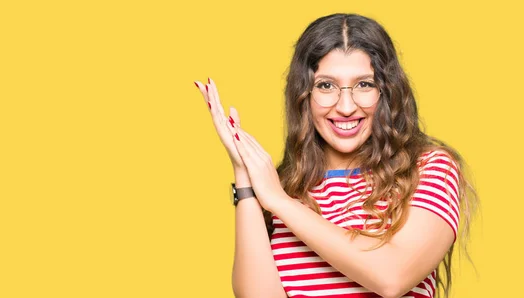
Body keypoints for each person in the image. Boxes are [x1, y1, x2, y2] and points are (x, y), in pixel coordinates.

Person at [193, 13, 478, 298]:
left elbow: (392, 277)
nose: (345, 106)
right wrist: (245, 175)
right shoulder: (284, 188)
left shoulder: (429, 169)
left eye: (364, 84)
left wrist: (279, 201)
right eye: (326, 85)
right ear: (303, 94)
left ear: (387, 92)